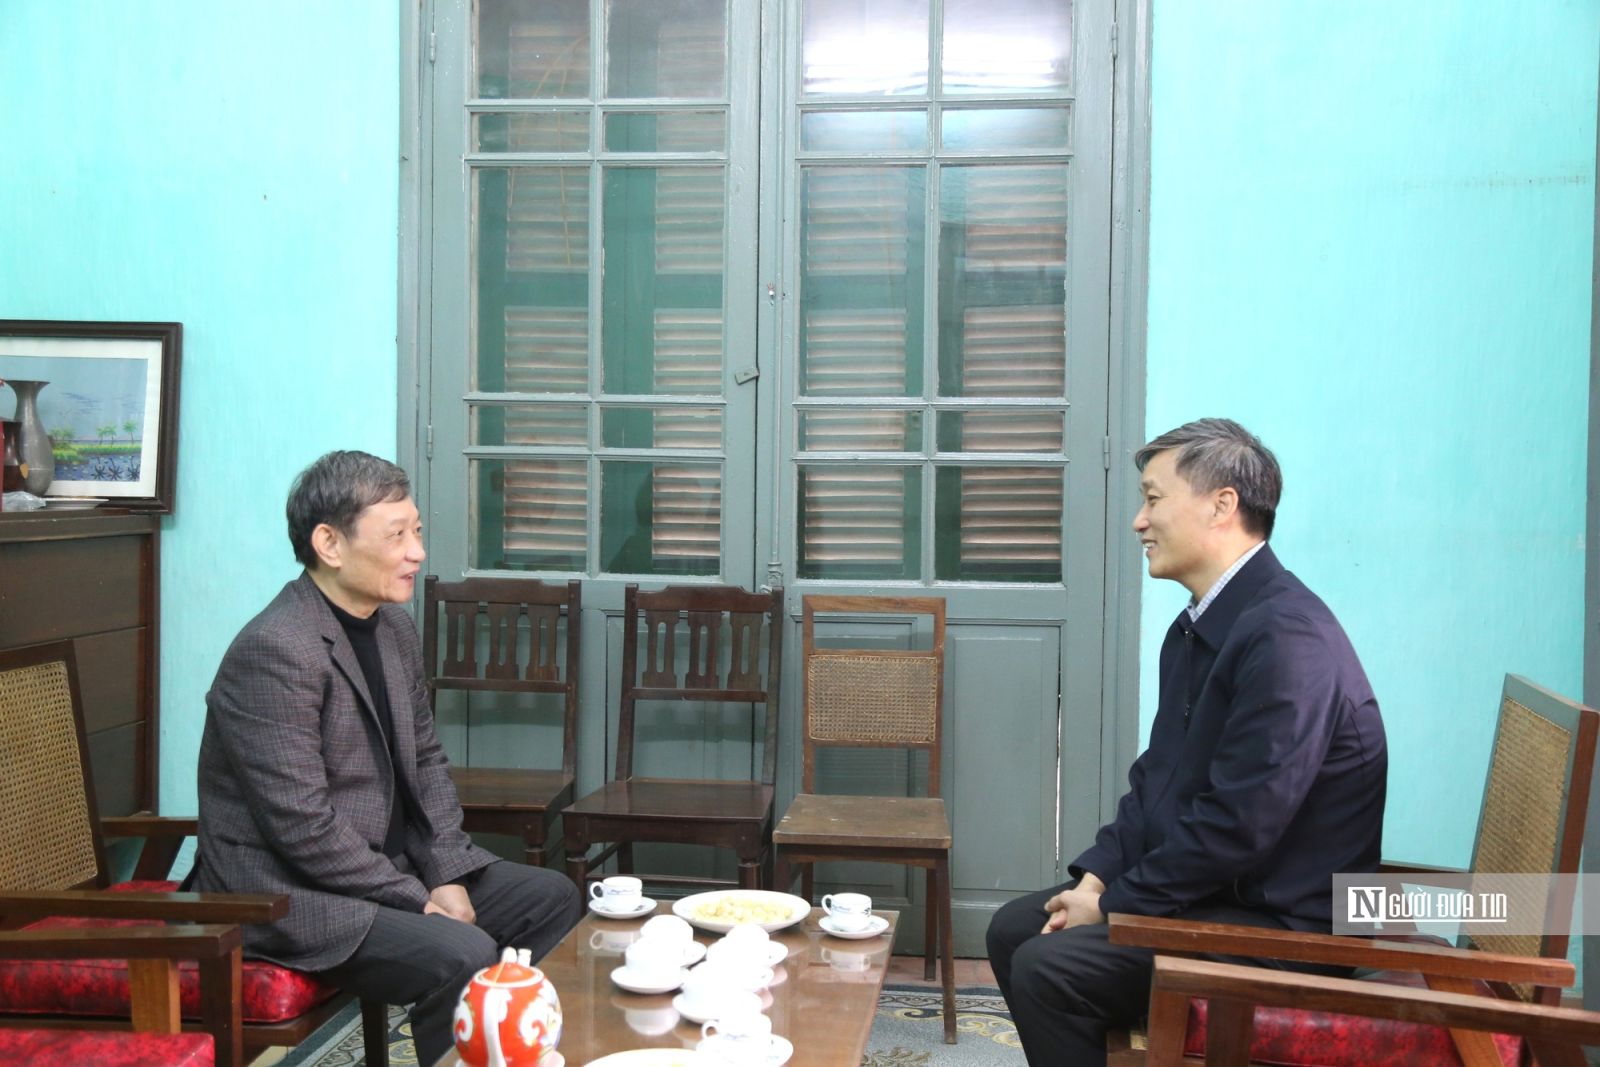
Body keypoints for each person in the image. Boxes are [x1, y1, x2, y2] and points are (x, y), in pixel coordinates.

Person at [986, 418, 1387, 1066]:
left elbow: (1237, 826)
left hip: (1286, 930)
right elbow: (1158, 780)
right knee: (1013, 929)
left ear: (1221, 505)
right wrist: (1097, 879)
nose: (1139, 521)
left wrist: (1114, 907)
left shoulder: (1288, 638)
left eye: (1153, 498)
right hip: (1222, 898)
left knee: (1049, 968)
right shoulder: (1202, 626)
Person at [194, 450, 583, 1065]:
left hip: (382, 867)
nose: (417, 552)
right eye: (396, 536)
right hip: (290, 895)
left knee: (551, 897)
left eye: (417, 531)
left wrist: (446, 873)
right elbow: (303, 828)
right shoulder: (275, 650)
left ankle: (515, 1052)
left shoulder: (392, 628)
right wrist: (417, 898)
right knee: (460, 954)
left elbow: (425, 761)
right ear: (329, 543)